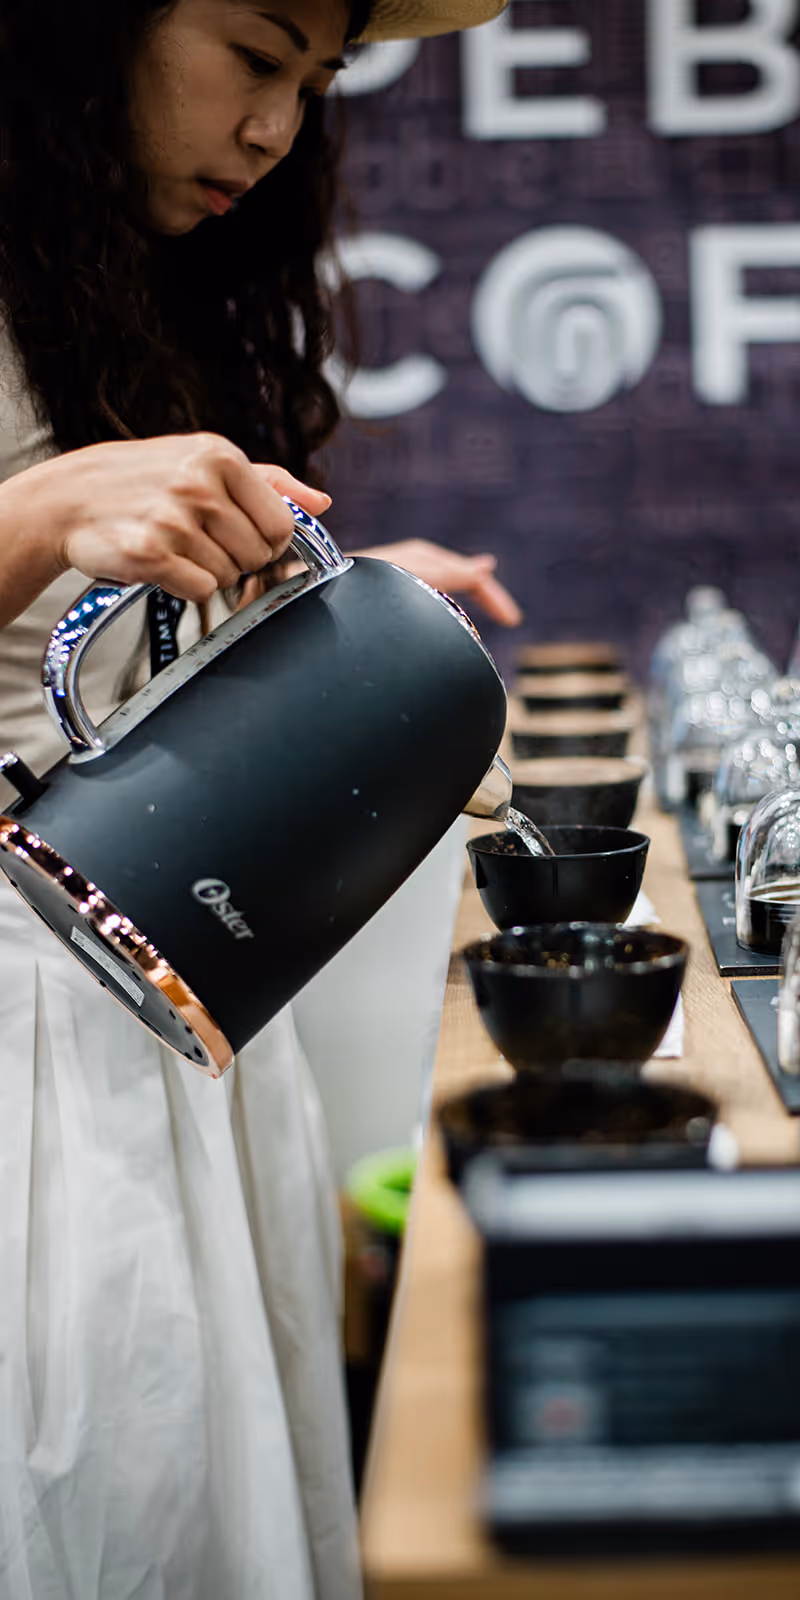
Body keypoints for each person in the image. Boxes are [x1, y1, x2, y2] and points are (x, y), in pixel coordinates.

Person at [0, 3, 509, 1597]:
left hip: (158, 998)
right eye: (254, 52)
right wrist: (33, 516)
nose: (277, 127)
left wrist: (284, 619)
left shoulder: (105, 266)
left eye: (317, 79)